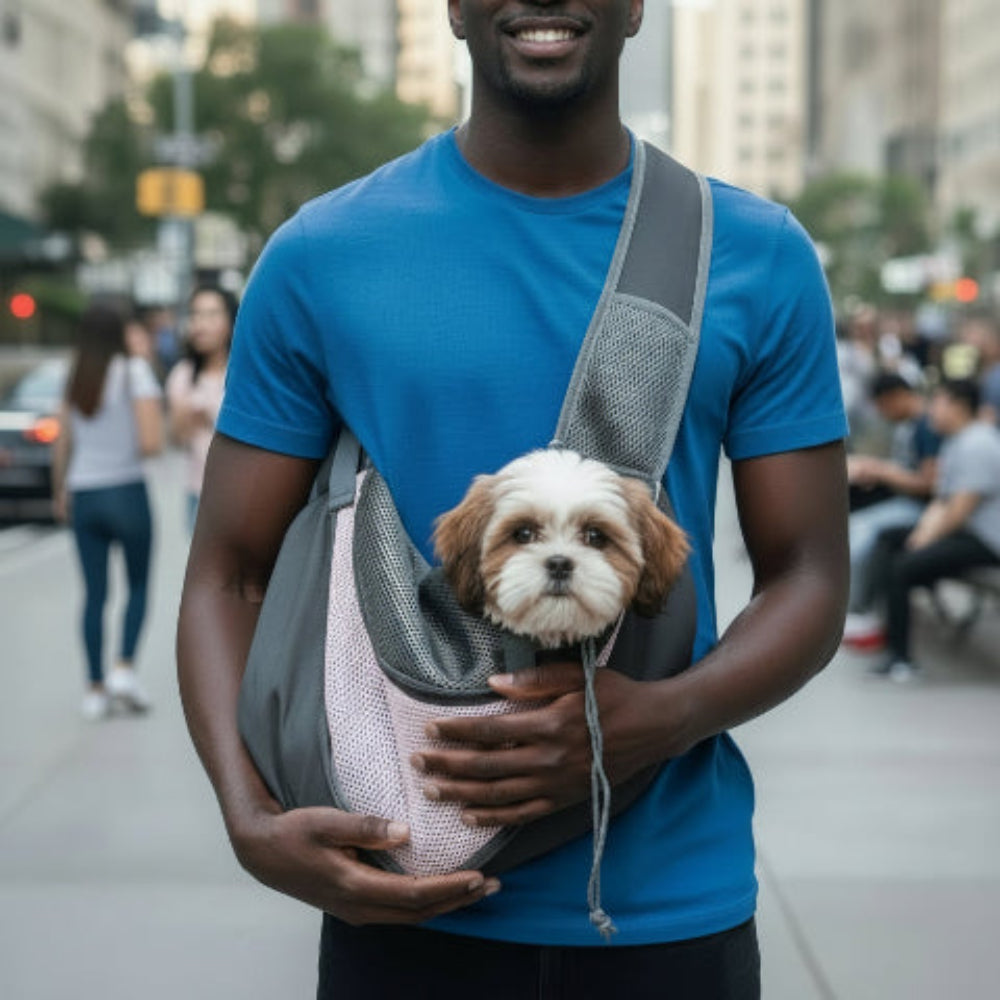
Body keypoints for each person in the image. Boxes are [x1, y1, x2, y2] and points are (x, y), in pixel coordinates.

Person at [177, 3, 848, 997]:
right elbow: (224, 573)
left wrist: (661, 716)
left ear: (635, 9)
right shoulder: (323, 253)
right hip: (398, 900)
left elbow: (811, 576)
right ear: (450, 6)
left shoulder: (756, 253)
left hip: (667, 913)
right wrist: (248, 817)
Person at [52, 302, 163, 720]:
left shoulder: (75, 375)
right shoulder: (133, 372)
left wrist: (60, 489)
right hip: (126, 490)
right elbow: (152, 442)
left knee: (94, 594)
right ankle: (124, 668)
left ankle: (95, 689)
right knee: (136, 585)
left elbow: (63, 441)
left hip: (85, 493)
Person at [863, 379, 1000, 682]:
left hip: (988, 542)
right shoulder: (957, 441)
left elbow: (960, 508)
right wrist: (920, 534)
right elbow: (941, 501)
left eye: (938, 402)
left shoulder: (979, 443)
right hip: (968, 534)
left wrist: (924, 539)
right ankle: (882, 631)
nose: (931, 411)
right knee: (889, 538)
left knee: (904, 567)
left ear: (960, 406)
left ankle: (900, 660)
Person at [843, 372, 942, 644]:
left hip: (925, 510)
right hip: (903, 502)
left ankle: (855, 611)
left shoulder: (926, 425)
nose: (882, 414)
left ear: (895, 397)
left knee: (861, 533)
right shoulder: (909, 424)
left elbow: (928, 483)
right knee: (854, 522)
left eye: (882, 406)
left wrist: (880, 470)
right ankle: (854, 608)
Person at [165, 284, 236, 532]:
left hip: (244, 491)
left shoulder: (243, 374)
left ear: (231, 319)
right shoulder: (182, 376)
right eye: (196, 315)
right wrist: (185, 418)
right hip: (199, 493)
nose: (201, 324)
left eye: (211, 314)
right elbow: (176, 438)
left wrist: (210, 415)